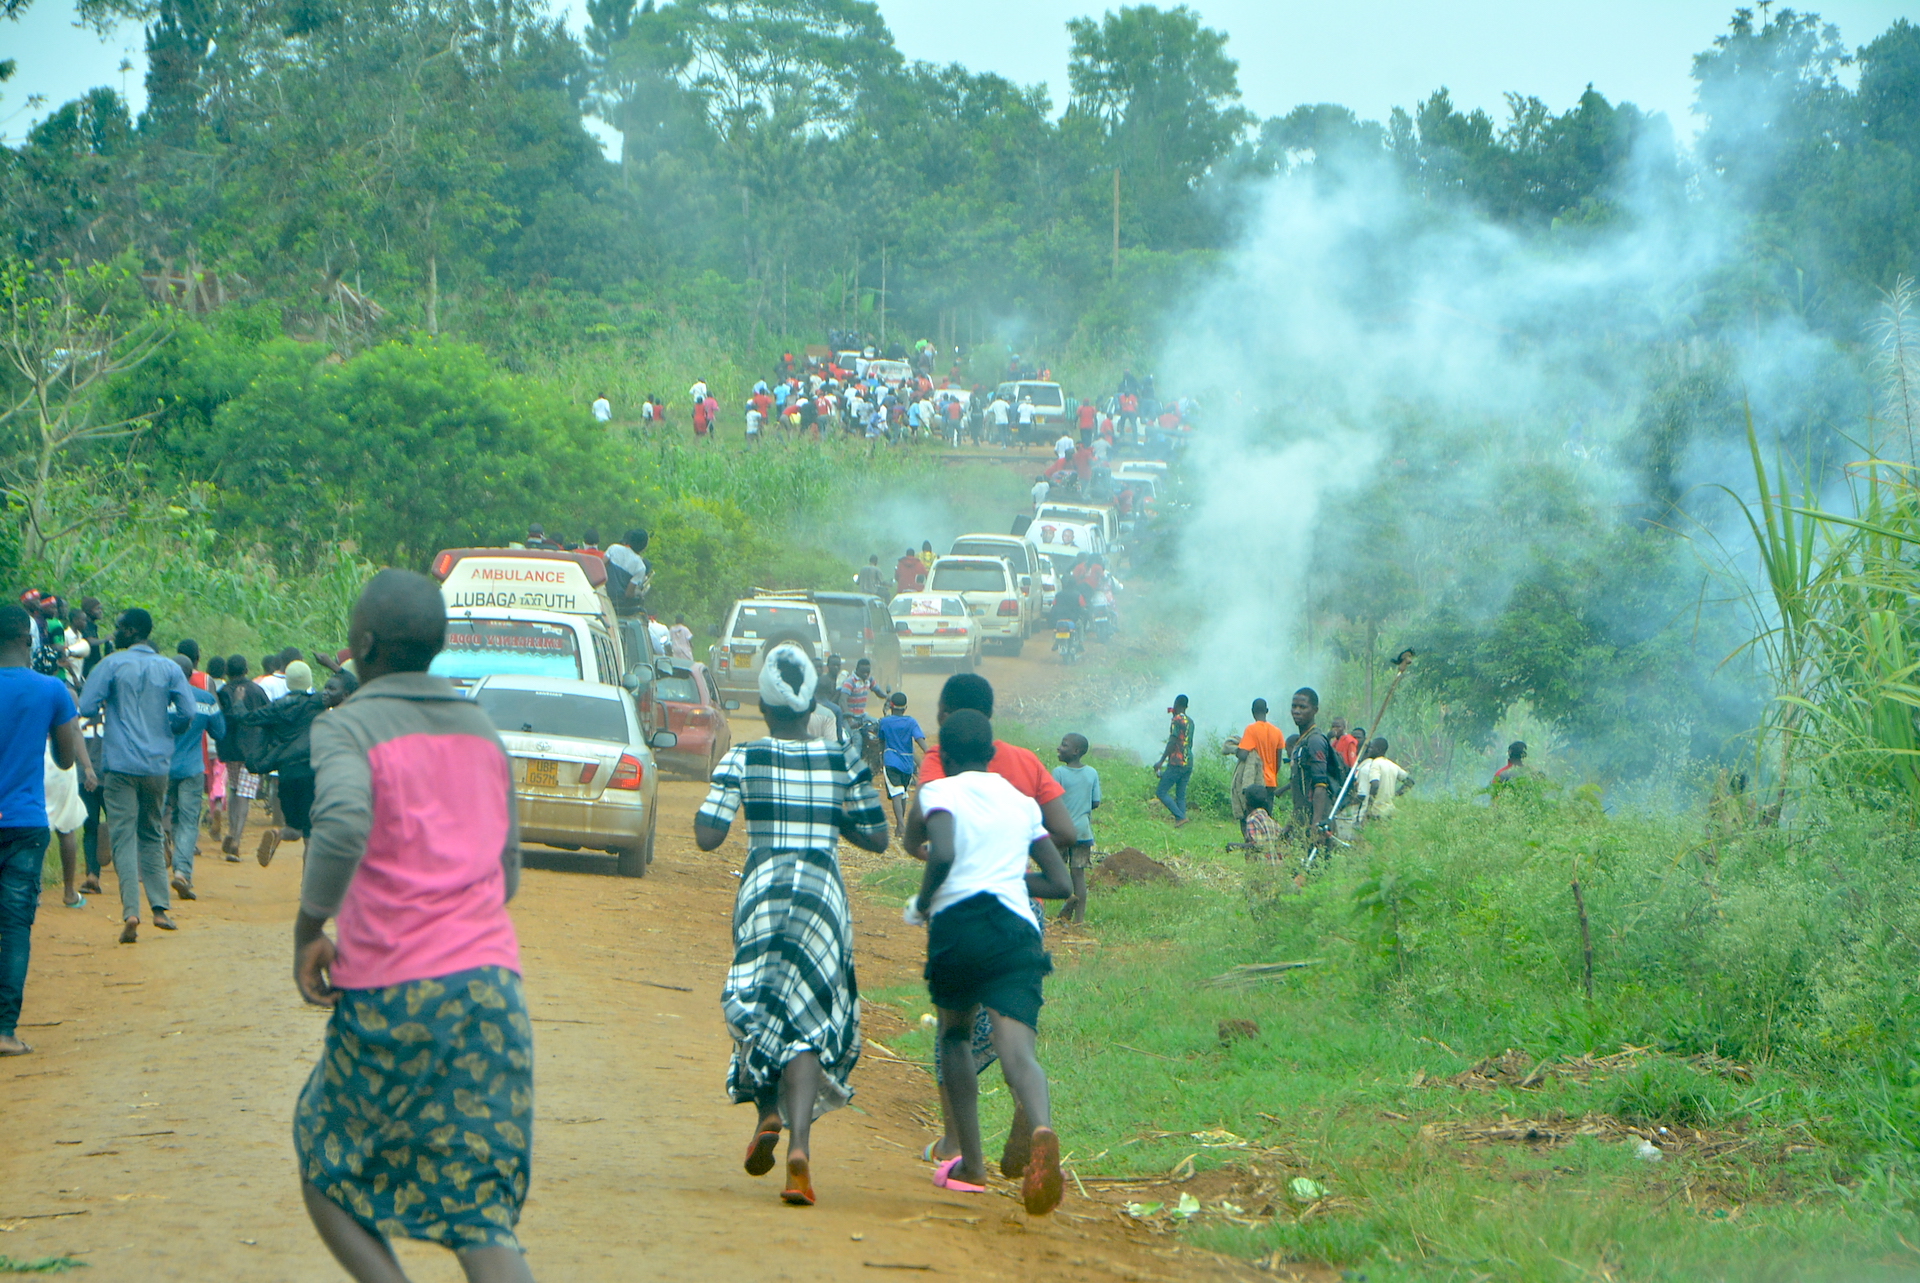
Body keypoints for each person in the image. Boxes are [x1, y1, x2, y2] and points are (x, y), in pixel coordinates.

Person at [290, 570, 535, 1282]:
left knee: (327, 1158)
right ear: (440, 643)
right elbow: (507, 870)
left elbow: (338, 825)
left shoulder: (347, 726)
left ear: (360, 644)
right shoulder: (483, 732)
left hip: (394, 993)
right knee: (479, 1215)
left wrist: (311, 926)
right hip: (493, 990)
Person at [693, 643, 889, 1207]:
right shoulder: (842, 759)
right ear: (813, 708)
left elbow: (708, 836)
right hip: (822, 902)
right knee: (806, 1019)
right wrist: (826, 816)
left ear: (762, 703)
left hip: (763, 896)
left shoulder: (744, 757)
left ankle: (768, 1113)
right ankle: (799, 1147)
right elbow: (877, 837)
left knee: (757, 1005)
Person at [905, 673, 1075, 1173]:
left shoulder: (938, 781)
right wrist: (1008, 877)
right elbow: (1063, 879)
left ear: (946, 742)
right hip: (1019, 927)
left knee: (954, 1035)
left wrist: (923, 899)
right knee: (1019, 1049)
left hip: (959, 926)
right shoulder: (1022, 795)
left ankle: (963, 1155)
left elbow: (931, 846)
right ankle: (1041, 1125)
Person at [1, 605, 92, 1056]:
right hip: (24, 821)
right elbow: (65, 759)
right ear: (27, 637)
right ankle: (4, 1030)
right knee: (15, 926)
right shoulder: (51, 689)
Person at [78, 608, 197, 945]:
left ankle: (132, 911)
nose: (114, 632)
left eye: (118, 628)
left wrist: (110, 705)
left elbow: (86, 706)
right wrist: (167, 730)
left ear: (130, 631)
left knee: (123, 837)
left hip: (119, 764)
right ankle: (160, 908)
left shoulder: (112, 664)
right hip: (157, 764)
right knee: (151, 831)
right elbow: (187, 712)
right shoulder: (170, 667)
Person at [235, 660, 331, 866]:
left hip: (287, 773)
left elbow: (245, 718)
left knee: (294, 829)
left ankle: (278, 833)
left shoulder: (276, 708)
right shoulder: (318, 702)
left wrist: (238, 700)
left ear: (287, 682)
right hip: (313, 772)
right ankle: (307, 890)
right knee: (310, 836)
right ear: (309, 680)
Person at [165, 654, 225, 901]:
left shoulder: (157, 698)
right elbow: (220, 731)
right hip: (191, 768)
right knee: (189, 821)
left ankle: (159, 855)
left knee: (159, 814)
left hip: (160, 767)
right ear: (192, 674)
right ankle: (181, 872)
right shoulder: (205, 699)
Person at [215, 654, 267, 860]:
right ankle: (236, 838)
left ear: (227, 672)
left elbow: (219, 720)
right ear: (246, 670)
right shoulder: (257, 690)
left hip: (231, 750)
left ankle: (231, 831)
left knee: (235, 790)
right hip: (253, 750)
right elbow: (267, 715)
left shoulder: (224, 692)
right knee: (245, 793)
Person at [1050, 733, 1100, 924]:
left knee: (1055, 869)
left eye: (1064, 745)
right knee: (1078, 874)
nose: (1059, 748)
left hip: (1062, 831)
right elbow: (1095, 802)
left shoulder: (1059, 773)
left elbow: (1052, 800)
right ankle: (1079, 920)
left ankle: (1067, 898)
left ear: (1075, 751)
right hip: (1083, 831)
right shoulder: (1092, 773)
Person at [1285, 688, 1337, 850]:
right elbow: (1301, 787)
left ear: (1315, 710)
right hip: (1303, 818)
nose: (1297, 711)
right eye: (1294, 707)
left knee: (1316, 869)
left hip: (1316, 820)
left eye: (1302, 707)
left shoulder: (1315, 741)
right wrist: (1291, 824)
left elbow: (1320, 785)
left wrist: (1316, 824)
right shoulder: (1302, 741)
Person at [875, 691, 925, 831]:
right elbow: (920, 741)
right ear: (905, 708)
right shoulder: (911, 722)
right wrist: (931, 755)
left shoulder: (884, 722)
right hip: (907, 764)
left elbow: (881, 741)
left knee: (896, 793)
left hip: (891, 761)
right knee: (903, 793)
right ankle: (900, 826)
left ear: (891, 706)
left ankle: (901, 825)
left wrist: (880, 758)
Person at [1230, 698, 1285, 796]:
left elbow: (1243, 754)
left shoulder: (1251, 729)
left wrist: (1235, 749)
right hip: (1271, 783)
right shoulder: (1277, 732)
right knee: (1267, 811)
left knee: (1253, 811)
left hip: (1256, 783)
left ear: (1252, 711)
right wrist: (1271, 775)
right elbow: (1278, 762)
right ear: (1267, 711)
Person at [1153, 694, 1194, 826]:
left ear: (1176, 704)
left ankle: (1180, 817)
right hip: (1188, 761)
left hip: (1177, 761)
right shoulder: (1190, 721)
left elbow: (1172, 741)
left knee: (1161, 791)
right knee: (1180, 795)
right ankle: (1181, 820)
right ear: (1186, 706)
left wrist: (1161, 761)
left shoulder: (1176, 720)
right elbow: (1189, 742)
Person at [1354, 738, 1412, 823]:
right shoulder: (1392, 764)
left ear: (1378, 750)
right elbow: (1410, 782)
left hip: (1376, 811)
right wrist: (1395, 795)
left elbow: (1375, 785)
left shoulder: (1374, 764)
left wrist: (1371, 803)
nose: (1369, 750)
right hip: (1390, 810)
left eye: (1371, 748)